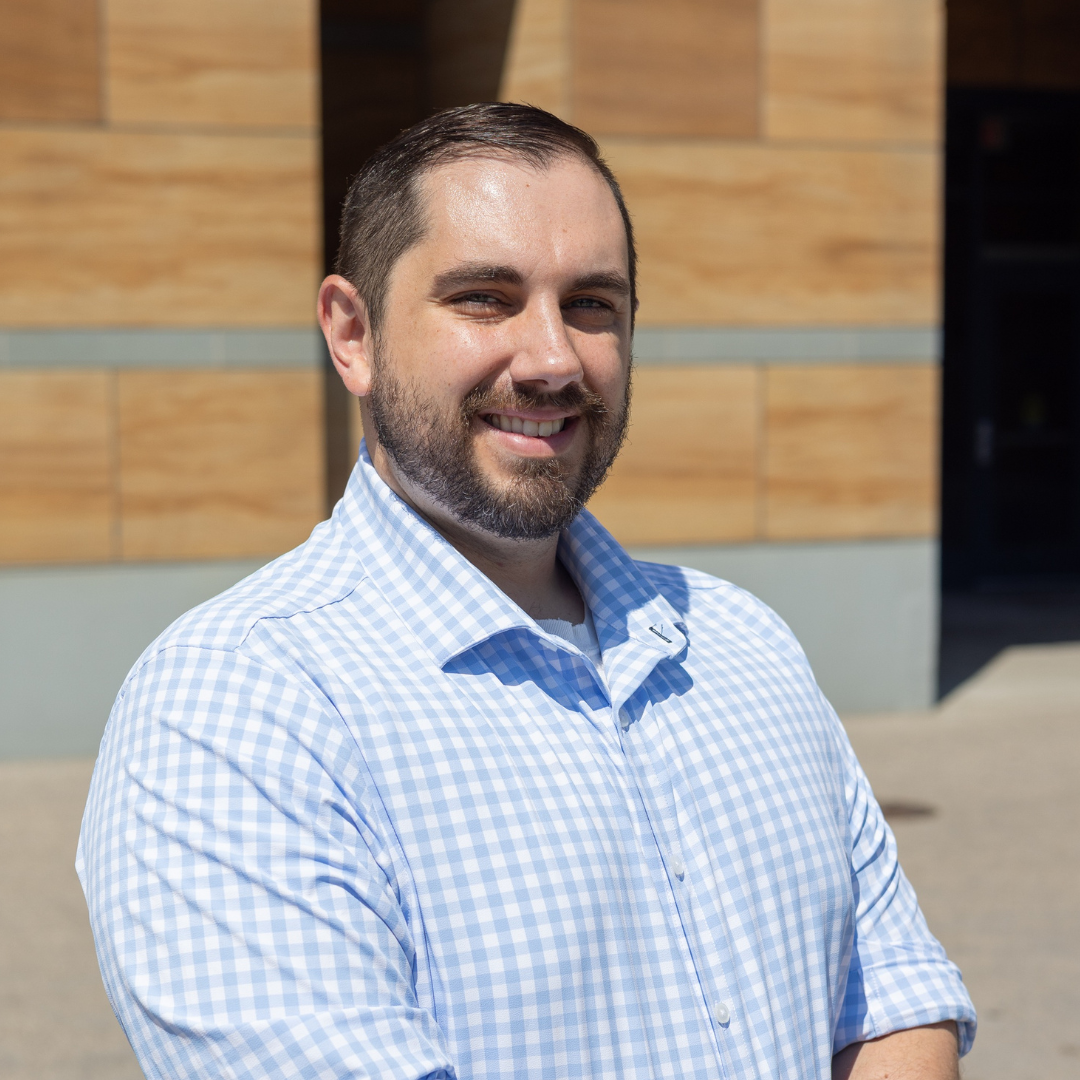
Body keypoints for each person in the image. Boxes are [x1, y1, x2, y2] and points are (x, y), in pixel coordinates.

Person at [78, 103, 975, 1080]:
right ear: (353, 334)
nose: (552, 359)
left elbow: (892, 1003)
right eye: (485, 298)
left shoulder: (741, 643)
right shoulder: (236, 708)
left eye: (592, 303)